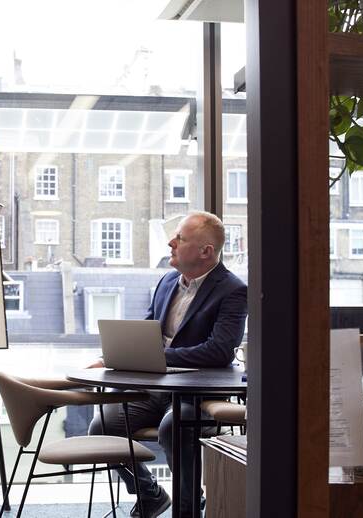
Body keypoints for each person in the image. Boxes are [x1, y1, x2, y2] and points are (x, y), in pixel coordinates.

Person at [87, 211, 248, 518]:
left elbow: (218, 351)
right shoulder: (166, 281)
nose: (171, 243)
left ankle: (188, 508)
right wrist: (112, 357)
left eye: (181, 239)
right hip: (156, 388)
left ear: (206, 251)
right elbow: (148, 332)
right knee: (102, 426)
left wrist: (158, 356)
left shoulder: (233, 291)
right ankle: (150, 494)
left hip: (198, 394)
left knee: (172, 427)